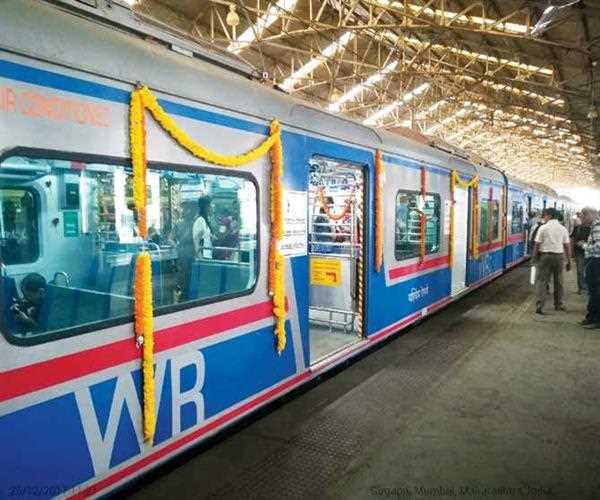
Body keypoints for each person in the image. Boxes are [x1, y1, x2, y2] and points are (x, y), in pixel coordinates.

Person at [532, 208, 571, 314]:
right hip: (559, 257)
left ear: (549, 215)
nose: (544, 217)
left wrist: (534, 258)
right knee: (559, 281)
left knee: (542, 281)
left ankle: (540, 305)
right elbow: (567, 246)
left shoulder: (543, 228)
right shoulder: (563, 228)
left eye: (544, 215)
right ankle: (559, 304)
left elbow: (537, 244)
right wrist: (569, 261)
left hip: (545, 257)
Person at [579, 207, 600, 329]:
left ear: (589, 215)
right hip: (594, 261)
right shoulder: (594, 227)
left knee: (596, 292)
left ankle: (596, 320)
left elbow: (599, 246)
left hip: (596, 262)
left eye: (583, 216)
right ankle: (591, 317)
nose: (581, 219)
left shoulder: (597, 227)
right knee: (592, 291)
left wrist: (584, 246)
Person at [570, 212, 591, 294]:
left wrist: (585, 243)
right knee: (580, 270)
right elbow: (572, 239)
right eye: (581, 217)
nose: (582, 219)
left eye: (584, 217)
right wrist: (571, 253)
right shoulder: (577, 228)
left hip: (590, 253)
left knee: (589, 270)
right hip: (579, 252)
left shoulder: (593, 228)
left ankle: (588, 287)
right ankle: (581, 288)